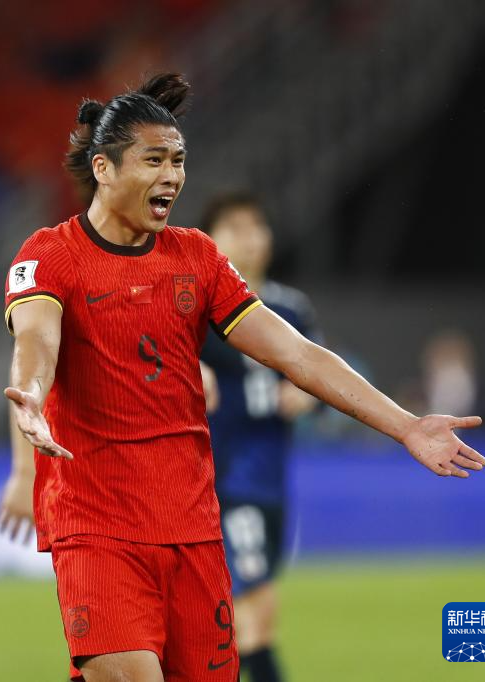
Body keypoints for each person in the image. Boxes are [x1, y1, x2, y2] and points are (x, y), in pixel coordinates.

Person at [3, 73, 485, 682]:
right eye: (154, 160)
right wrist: (33, 395)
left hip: (193, 528)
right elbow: (37, 338)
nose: (173, 176)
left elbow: (299, 356)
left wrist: (408, 426)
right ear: (103, 168)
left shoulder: (197, 258)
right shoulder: (49, 254)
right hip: (96, 526)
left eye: (178, 160)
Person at [199, 192, 319, 682]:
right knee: (253, 612)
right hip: (224, 479)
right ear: (209, 239)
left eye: (256, 227)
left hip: (271, 478)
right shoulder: (196, 310)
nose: (249, 239)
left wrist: (307, 395)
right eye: (234, 228)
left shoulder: (292, 308)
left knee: (248, 617)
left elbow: (317, 374)